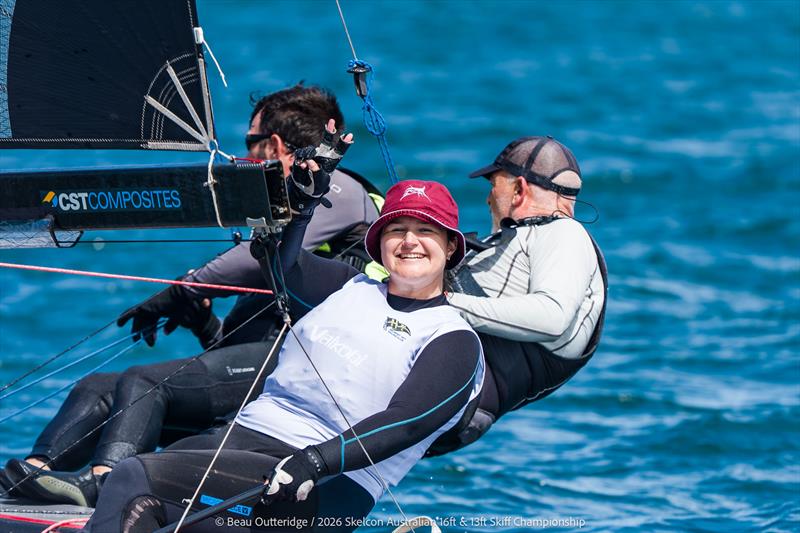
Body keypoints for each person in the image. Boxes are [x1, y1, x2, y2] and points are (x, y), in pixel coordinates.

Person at [0, 86, 381, 505]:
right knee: (100, 386)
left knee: (144, 381)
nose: (241, 158)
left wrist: (183, 287)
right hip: (264, 365)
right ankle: (30, 477)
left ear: (272, 145)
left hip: (307, 374)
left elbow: (247, 265)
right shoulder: (282, 216)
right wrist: (203, 322)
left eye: (248, 145)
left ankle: (104, 484)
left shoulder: (339, 190)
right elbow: (234, 354)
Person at [84, 175, 484, 532]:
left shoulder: (452, 338)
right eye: (397, 229)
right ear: (379, 244)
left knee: (134, 480)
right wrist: (301, 206)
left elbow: (407, 423)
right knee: (131, 492)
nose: (409, 241)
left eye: (425, 230)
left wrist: (315, 462)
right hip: (240, 442)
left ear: (451, 247)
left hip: (324, 484)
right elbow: (277, 258)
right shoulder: (347, 286)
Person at [427, 135, 607, 455]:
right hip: (441, 393)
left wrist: (442, 304)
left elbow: (553, 317)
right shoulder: (523, 241)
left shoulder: (565, 234)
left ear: (519, 189)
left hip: (452, 398)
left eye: (494, 185)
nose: (488, 200)